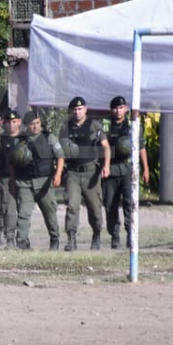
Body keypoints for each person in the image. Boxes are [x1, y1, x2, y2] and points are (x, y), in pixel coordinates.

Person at [59, 96, 110, 251]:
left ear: (85, 109)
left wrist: (106, 165)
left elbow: (106, 147)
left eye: (80, 109)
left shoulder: (94, 126)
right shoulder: (65, 128)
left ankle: (96, 234)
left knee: (94, 208)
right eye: (74, 109)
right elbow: (60, 151)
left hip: (91, 172)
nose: (77, 112)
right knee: (72, 206)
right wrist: (58, 172)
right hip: (73, 173)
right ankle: (71, 238)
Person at [10, 111, 64, 250]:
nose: (35, 127)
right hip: (24, 182)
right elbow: (13, 163)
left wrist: (57, 175)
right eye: (32, 124)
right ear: (26, 125)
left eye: (37, 123)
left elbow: (60, 157)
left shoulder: (49, 138)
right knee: (23, 213)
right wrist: (13, 181)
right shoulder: (19, 140)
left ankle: (54, 239)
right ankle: (21, 242)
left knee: (49, 213)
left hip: (44, 183)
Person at [103, 96, 150, 249]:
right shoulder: (105, 125)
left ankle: (131, 234)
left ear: (126, 108)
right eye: (115, 108)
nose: (118, 111)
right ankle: (114, 235)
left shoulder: (133, 125)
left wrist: (146, 168)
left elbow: (141, 147)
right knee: (110, 204)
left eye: (121, 107)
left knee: (130, 203)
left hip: (128, 170)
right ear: (111, 109)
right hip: (111, 170)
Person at [0, 109, 22, 249]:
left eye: (14, 121)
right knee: (6, 208)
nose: (11, 124)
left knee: (23, 210)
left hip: (23, 178)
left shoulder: (25, 138)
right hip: (5, 178)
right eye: (8, 122)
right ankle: (9, 239)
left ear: (19, 122)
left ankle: (22, 238)